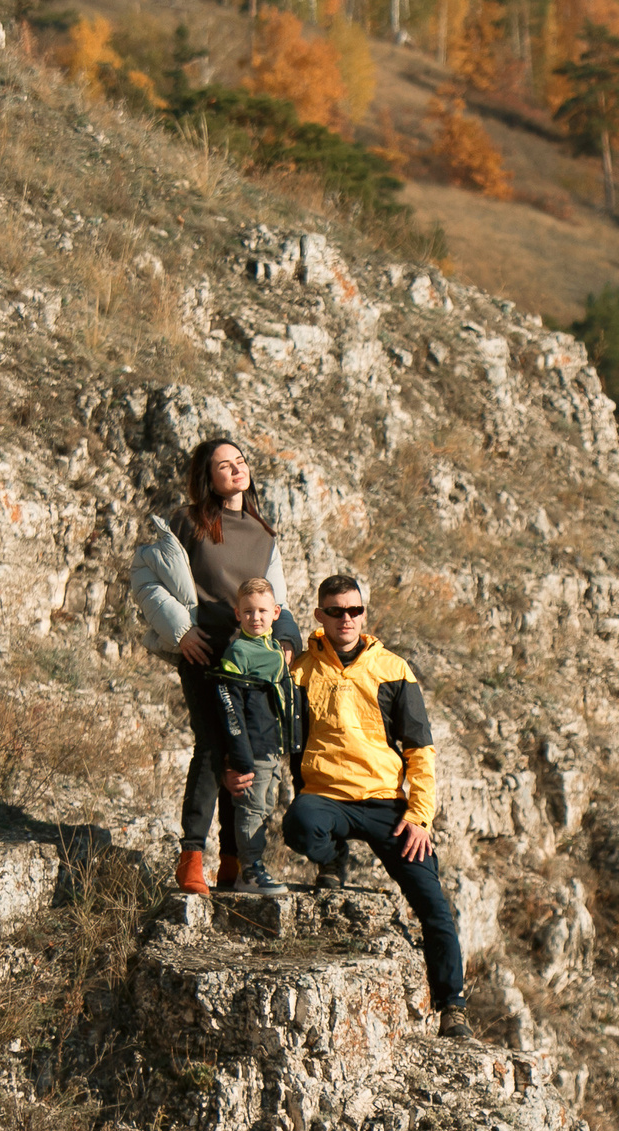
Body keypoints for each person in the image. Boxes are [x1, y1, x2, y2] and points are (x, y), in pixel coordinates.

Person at [283, 572, 471, 1039]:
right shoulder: (301, 671)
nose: (346, 619)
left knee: (433, 904)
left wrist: (419, 816)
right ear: (319, 615)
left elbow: (420, 750)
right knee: (300, 827)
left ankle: (453, 1005)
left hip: (387, 803)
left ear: (364, 613)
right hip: (326, 795)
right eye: (336, 611)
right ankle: (333, 857)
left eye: (354, 610)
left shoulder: (394, 668)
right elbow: (290, 747)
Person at [129, 437, 305, 895]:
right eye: (223, 465)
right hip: (205, 654)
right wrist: (179, 632)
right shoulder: (187, 522)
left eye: (240, 462)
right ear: (207, 476)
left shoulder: (263, 532)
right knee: (211, 750)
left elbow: (279, 602)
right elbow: (146, 576)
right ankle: (191, 860)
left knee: (244, 758)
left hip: (251, 662)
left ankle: (233, 863)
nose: (235, 470)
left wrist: (286, 643)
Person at [207, 578, 302, 897]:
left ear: (276, 613)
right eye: (248, 612)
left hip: (273, 746)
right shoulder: (239, 651)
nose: (255, 617)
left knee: (264, 807)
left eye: (262, 611)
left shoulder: (275, 647)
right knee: (252, 809)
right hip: (254, 747)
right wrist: (240, 754)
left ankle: (255, 865)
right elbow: (228, 703)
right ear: (237, 614)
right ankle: (249, 871)